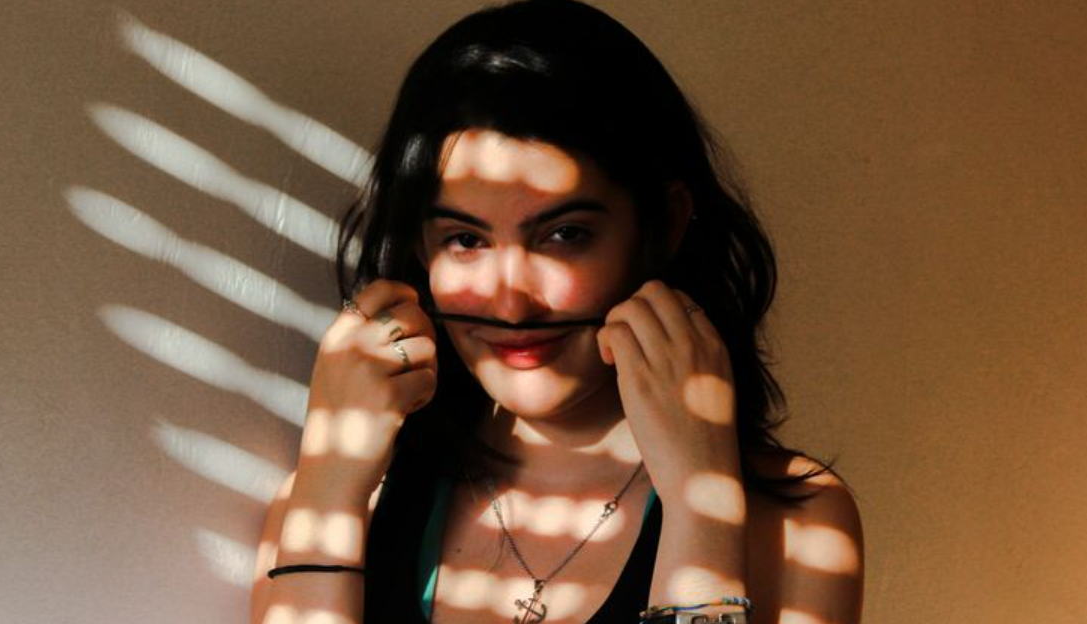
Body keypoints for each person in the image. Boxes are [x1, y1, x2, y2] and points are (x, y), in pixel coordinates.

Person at [251, 1, 863, 623]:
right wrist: (329, 485)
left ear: (663, 227)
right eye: (465, 239)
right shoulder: (336, 502)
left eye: (565, 234)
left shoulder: (797, 525)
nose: (510, 301)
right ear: (420, 248)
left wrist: (698, 507)